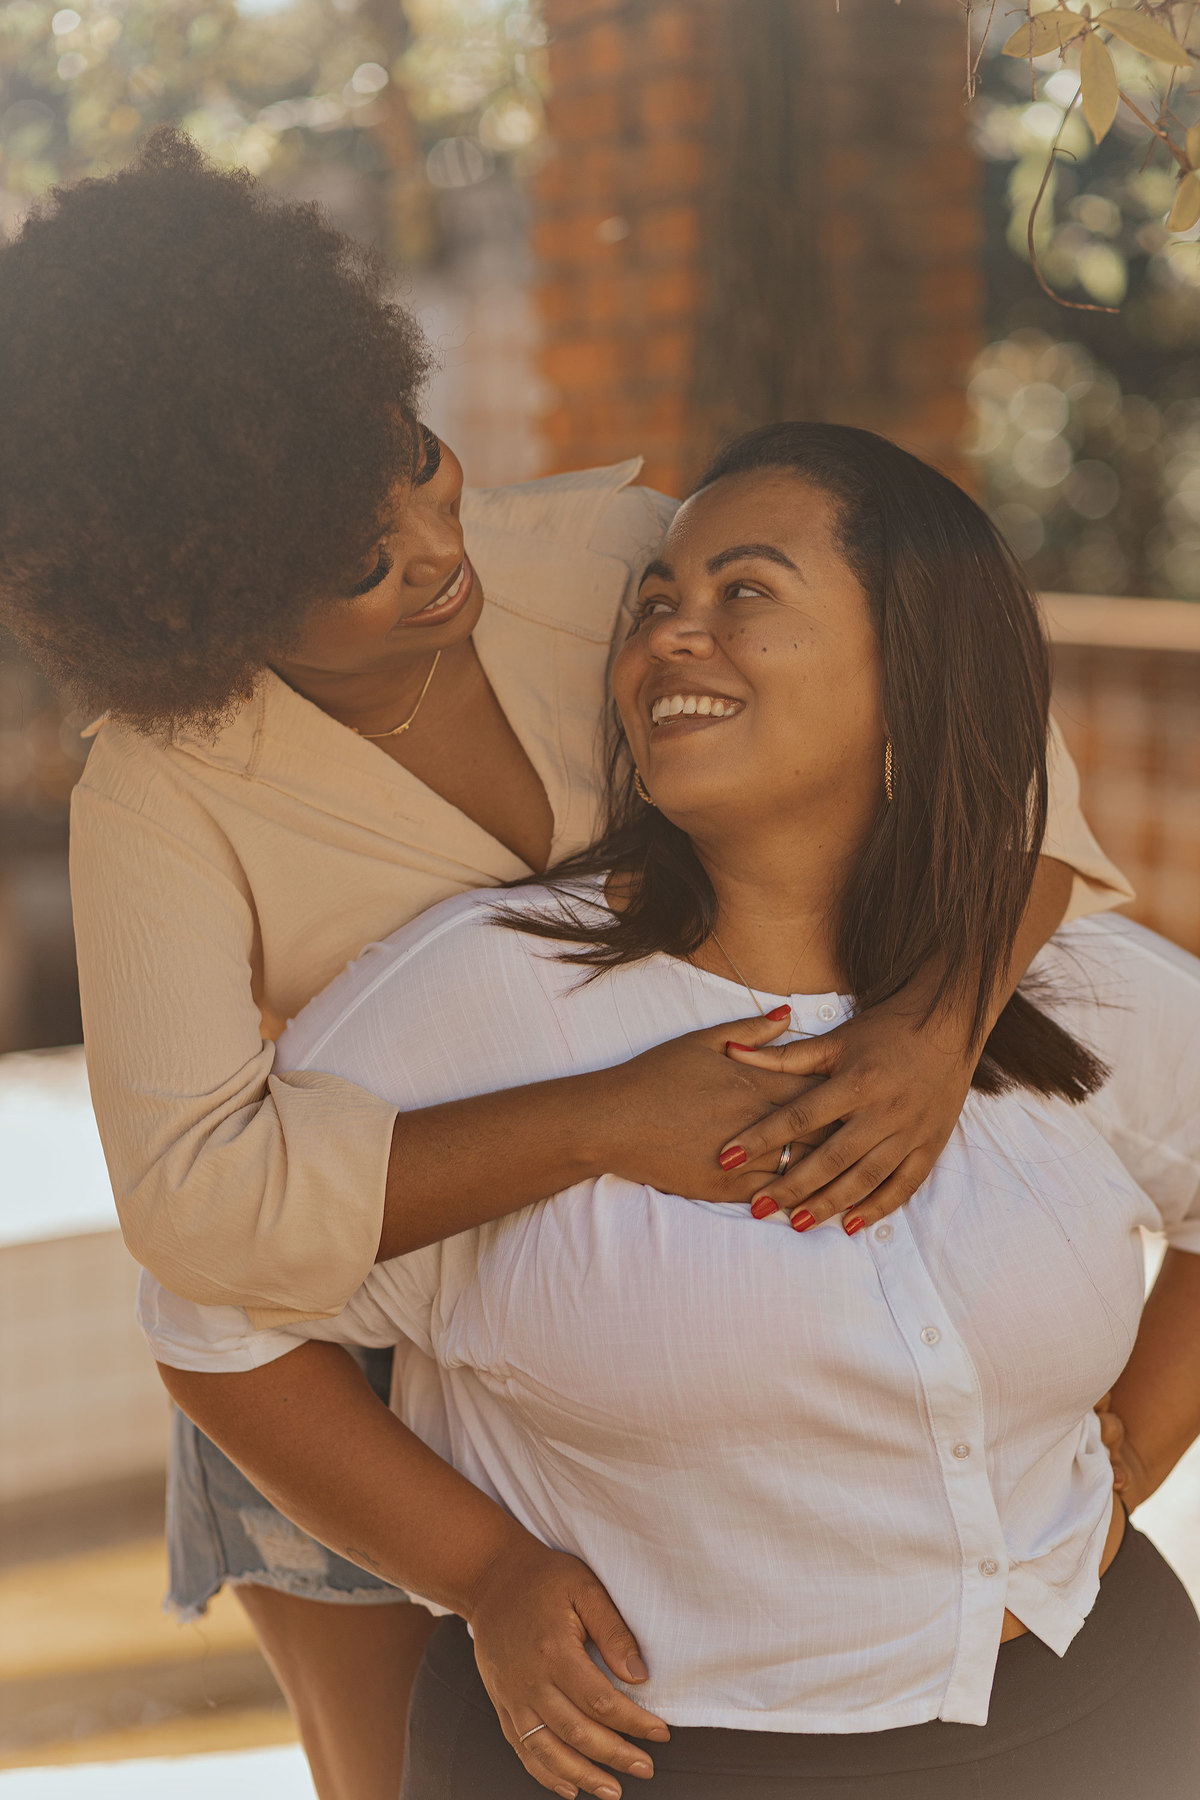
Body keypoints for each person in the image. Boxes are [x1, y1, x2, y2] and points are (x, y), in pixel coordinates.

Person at [0, 131, 1127, 1800]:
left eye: (417, 460)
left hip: (665, 1335)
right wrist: (602, 1122)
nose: (433, 543)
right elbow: (197, 1213)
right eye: (358, 563)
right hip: (343, 1376)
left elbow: (994, 752)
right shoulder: (162, 798)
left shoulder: (620, 561)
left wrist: (933, 1026)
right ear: (201, 601)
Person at [145, 424, 1200, 1800]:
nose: (668, 636)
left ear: (913, 666)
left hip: (1100, 1713)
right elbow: (215, 1315)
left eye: (744, 592)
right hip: (632, 1754)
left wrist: (1137, 1449)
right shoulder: (473, 997)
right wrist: (484, 1570)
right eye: (654, 603)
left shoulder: (1069, 984)